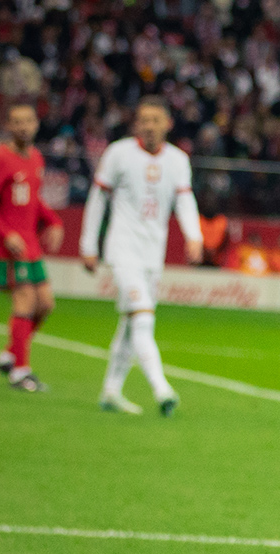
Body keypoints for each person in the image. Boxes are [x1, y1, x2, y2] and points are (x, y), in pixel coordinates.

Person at [80, 97, 203, 416]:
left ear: (167, 124)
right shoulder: (118, 153)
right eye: (143, 120)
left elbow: (185, 201)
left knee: (129, 322)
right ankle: (162, 390)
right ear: (136, 124)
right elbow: (97, 199)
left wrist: (194, 236)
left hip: (153, 254)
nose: (149, 126)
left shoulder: (177, 159)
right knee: (144, 317)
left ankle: (110, 391)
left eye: (155, 120)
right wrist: (88, 244)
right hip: (123, 250)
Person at [0, 102, 65, 393]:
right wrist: (6, 234)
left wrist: (53, 221)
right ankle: (20, 372)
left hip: (30, 243)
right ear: (9, 127)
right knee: (25, 300)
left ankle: (10, 354)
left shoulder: (36, 158)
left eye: (28, 121)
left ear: (36, 124)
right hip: (9, 245)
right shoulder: (0, 157)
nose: (23, 126)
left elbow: (33, 199)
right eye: (17, 122)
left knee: (46, 304)